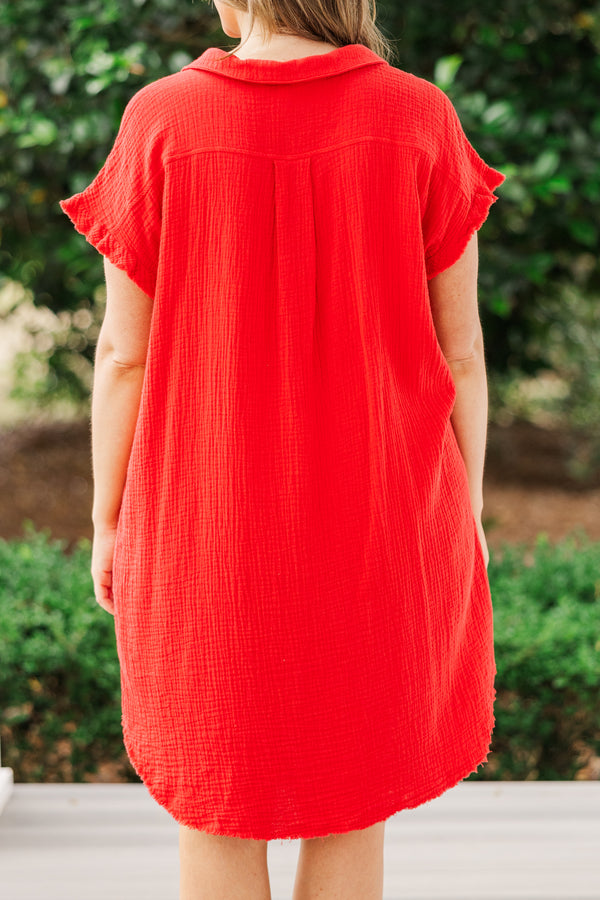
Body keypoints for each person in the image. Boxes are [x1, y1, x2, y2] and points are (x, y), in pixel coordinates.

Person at [59, 0, 505, 895]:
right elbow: (459, 352)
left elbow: (122, 355)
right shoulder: (418, 115)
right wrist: (467, 510)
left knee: (214, 800)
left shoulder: (162, 118)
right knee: (353, 798)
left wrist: (108, 521)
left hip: (205, 528)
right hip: (379, 521)